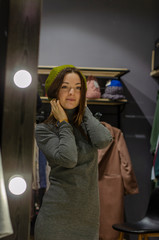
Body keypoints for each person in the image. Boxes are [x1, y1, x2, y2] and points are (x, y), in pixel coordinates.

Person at [34, 65, 112, 240]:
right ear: (54, 92)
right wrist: (63, 122)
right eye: (65, 86)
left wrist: (85, 111)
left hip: (88, 221)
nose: (72, 92)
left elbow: (104, 140)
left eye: (78, 88)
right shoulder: (44, 130)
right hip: (55, 220)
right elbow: (68, 159)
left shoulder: (87, 124)